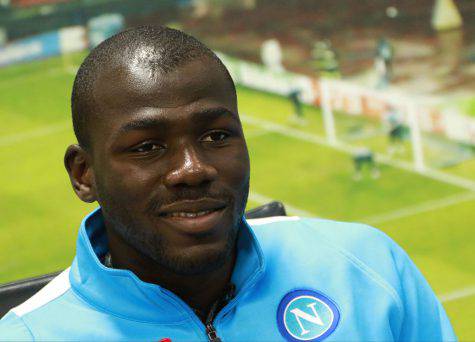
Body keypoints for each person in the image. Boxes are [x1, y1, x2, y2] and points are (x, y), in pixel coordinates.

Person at [0, 26, 455, 341]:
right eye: (147, 147)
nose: (191, 169)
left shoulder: (365, 267)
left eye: (216, 136)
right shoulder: (29, 335)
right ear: (84, 174)